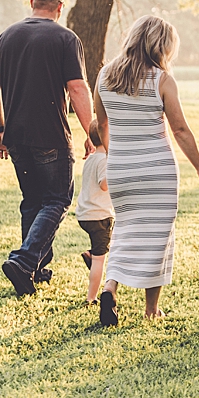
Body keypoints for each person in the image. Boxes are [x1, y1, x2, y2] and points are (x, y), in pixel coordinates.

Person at [94, 15, 199, 325]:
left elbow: (102, 123)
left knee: (123, 230)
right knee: (158, 237)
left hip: (121, 167)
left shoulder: (104, 75)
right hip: (156, 169)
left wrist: (114, 153)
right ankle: (152, 309)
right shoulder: (162, 79)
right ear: (162, 46)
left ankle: (110, 287)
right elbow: (180, 129)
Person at [0, 0, 94, 297]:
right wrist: (92, 133)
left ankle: (36, 268)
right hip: (51, 135)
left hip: (16, 136)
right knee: (57, 200)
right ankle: (23, 261)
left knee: (32, 200)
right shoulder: (65, 38)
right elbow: (77, 88)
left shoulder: (6, 37)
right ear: (61, 6)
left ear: (32, 1)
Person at [77, 119, 113, 305]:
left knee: (108, 245)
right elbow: (104, 185)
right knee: (101, 259)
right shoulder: (105, 160)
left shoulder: (91, 157)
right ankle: (91, 298)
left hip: (85, 215)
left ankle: (92, 254)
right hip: (99, 216)